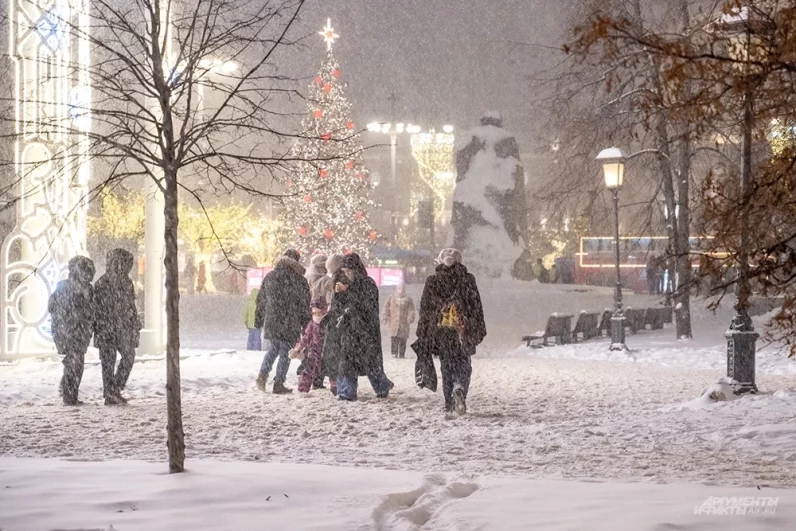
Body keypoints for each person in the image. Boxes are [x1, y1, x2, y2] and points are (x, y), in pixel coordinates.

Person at [413, 248, 486, 414]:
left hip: (442, 330)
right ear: (460, 261)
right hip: (463, 329)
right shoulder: (468, 280)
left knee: (447, 366)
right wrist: (477, 328)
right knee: (464, 363)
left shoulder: (433, 281)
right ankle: (459, 388)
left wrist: (423, 331)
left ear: (440, 261)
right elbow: (476, 306)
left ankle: (449, 402)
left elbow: (425, 308)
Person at [323, 253, 392, 401]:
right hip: (350, 330)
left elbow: (366, 307)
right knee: (348, 361)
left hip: (365, 330)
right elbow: (340, 306)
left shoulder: (367, 283)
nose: (347, 274)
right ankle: (347, 392)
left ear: (356, 270)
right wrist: (339, 295)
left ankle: (382, 386)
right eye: (345, 272)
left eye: (349, 271)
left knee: (369, 361)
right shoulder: (346, 284)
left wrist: (346, 292)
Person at [254, 249, 311, 394]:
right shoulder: (299, 279)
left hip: (272, 321)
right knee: (286, 352)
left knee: (273, 350)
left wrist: (259, 319)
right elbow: (304, 304)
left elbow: (261, 300)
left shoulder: (270, 276)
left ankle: (262, 376)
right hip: (290, 321)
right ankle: (278, 383)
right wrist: (306, 324)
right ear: (296, 262)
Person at [93, 249, 141, 405]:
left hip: (120, 328)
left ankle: (113, 390)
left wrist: (133, 322)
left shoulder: (126, 282)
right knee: (108, 361)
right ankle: (111, 392)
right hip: (107, 328)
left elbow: (130, 306)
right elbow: (100, 308)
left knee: (128, 357)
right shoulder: (102, 283)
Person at [49, 256, 96, 406]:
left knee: (75, 362)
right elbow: (54, 308)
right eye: (86, 270)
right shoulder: (65, 287)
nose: (89, 274)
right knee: (75, 362)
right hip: (69, 332)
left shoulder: (87, 288)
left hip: (78, 332)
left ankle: (68, 391)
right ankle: (69, 395)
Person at [290, 297, 333, 394]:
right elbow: (306, 338)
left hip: (328, 352)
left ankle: (336, 388)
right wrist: (298, 349)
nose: (317, 316)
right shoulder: (312, 325)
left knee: (332, 371)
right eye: (314, 313)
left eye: (319, 313)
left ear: (324, 311)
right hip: (314, 353)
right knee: (309, 371)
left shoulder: (328, 324)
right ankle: (303, 389)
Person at [383, 283, 416, 358]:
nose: (400, 290)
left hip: (404, 323)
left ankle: (401, 353)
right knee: (394, 338)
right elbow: (386, 307)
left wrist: (410, 318)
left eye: (402, 289)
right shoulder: (391, 298)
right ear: (396, 289)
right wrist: (385, 316)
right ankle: (394, 353)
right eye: (399, 289)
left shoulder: (408, 299)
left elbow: (411, 310)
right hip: (393, 322)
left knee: (403, 339)